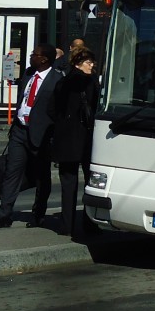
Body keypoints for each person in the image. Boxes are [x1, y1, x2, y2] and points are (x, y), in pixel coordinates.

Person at [0, 44, 61, 229]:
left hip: (41, 135)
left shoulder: (56, 80)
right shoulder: (28, 74)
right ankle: (4, 214)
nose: (31, 57)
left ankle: (38, 214)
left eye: (35, 54)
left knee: (42, 176)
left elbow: (57, 110)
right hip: (20, 131)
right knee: (12, 172)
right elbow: (23, 98)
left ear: (45, 59)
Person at [50, 46, 99, 239]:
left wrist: (62, 124)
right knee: (90, 183)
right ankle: (90, 223)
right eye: (88, 62)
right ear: (79, 63)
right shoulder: (90, 81)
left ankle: (66, 224)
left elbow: (51, 109)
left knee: (68, 183)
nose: (92, 65)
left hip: (66, 138)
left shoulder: (62, 82)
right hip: (86, 137)